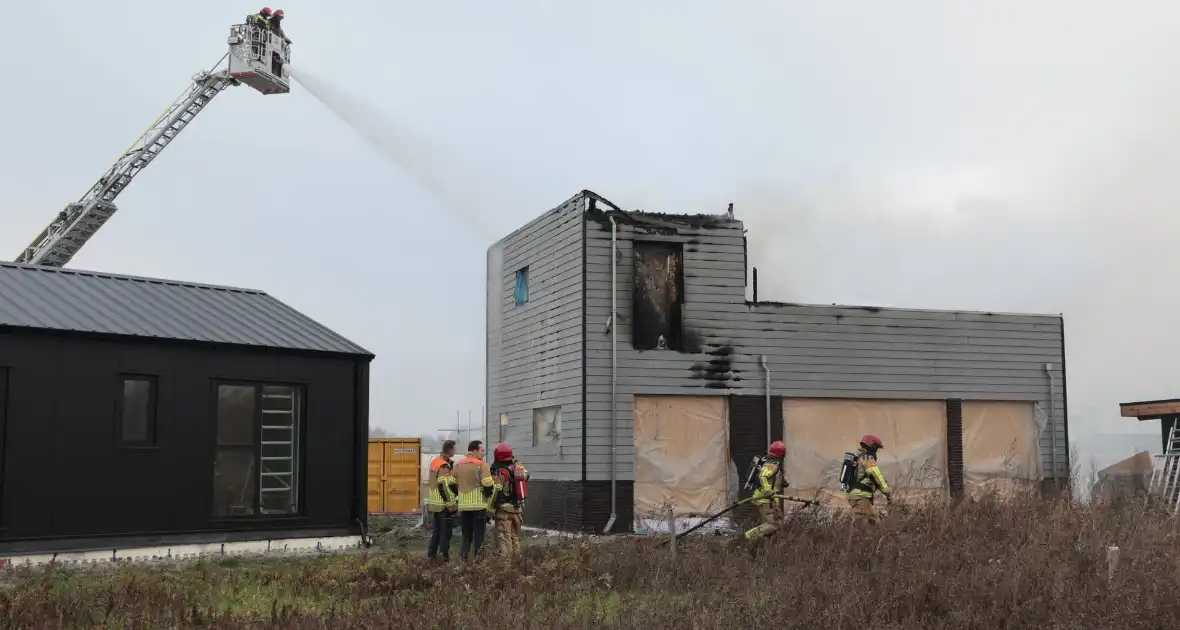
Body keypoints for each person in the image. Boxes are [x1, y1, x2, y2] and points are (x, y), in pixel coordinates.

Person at [453, 440, 494, 561]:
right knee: (479, 536)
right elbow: (488, 485)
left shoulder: (457, 464)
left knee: (466, 535)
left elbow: (451, 484)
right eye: (482, 450)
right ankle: (478, 562)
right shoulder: (481, 464)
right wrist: (487, 496)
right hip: (478, 506)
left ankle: (463, 559)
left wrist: (459, 493)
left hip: (464, 506)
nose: (483, 453)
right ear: (475, 450)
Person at [489, 444, 529, 558]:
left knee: (504, 542)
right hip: (517, 510)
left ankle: (506, 569)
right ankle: (517, 564)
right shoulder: (518, 468)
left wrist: (489, 510)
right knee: (515, 538)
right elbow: (526, 475)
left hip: (504, 512)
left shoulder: (499, 472)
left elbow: (495, 491)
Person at [744, 440, 788, 542]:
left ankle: (761, 547)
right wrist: (769, 492)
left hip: (767, 499)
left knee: (768, 527)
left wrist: (783, 481)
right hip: (765, 500)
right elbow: (762, 476)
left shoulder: (771, 462)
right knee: (773, 525)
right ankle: (748, 536)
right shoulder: (772, 464)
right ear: (782, 453)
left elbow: (773, 478)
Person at [425, 440, 458, 561]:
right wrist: (452, 506)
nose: (455, 451)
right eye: (454, 449)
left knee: (437, 532)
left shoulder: (435, 462)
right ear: (449, 450)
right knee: (445, 534)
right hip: (443, 505)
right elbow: (444, 486)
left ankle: (431, 555)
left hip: (435, 504)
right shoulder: (444, 466)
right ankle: (444, 558)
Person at [848, 434, 891, 524]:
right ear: (872, 446)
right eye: (876, 448)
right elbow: (876, 475)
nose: (876, 451)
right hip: (861, 497)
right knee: (863, 528)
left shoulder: (858, 458)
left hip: (858, 496)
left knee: (873, 524)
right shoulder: (868, 458)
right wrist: (887, 492)